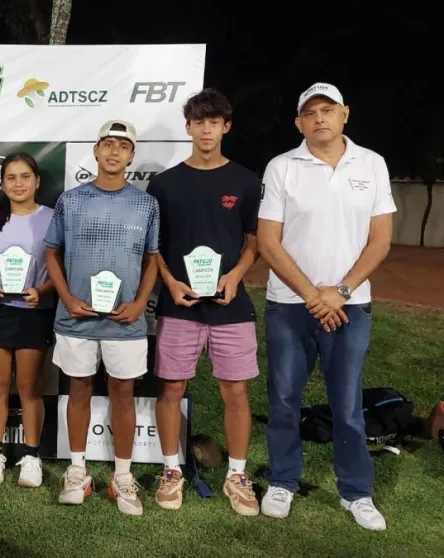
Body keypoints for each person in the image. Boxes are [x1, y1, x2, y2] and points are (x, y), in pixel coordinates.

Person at [257, 83, 394, 531]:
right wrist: (316, 295)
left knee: (348, 403)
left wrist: (342, 290)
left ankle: (356, 491)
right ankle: (283, 480)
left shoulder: (372, 164)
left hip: (351, 305)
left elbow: (380, 240)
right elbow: (268, 242)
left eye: (328, 110)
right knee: (283, 398)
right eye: (310, 112)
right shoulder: (282, 167)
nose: (319, 118)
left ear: (345, 114)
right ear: (299, 123)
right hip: (289, 305)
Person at [146, 88, 262, 515]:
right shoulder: (164, 183)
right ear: (189, 127)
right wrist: (171, 283)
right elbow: (153, 246)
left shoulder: (246, 181)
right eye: (199, 122)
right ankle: (171, 469)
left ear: (226, 126)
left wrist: (235, 275)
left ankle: (237, 475)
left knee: (235, 390)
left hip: (231, 306)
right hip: (180, 305)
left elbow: (254, 241)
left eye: (214, 122)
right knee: (172, 387)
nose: (207, 129)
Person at [44, 120, 159, 513]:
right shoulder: (70, 200)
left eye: (122, 147)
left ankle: (122, 477)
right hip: (76, 317)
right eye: (107, 144)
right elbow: (51, 253)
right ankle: (78, 470)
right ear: (95, 150)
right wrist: (67, 297)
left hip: (125, 321)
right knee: (78, 389)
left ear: (131, 156)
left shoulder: (146, 204)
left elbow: (153, 260)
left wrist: (141, 302)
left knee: (123, 392)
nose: (114, 152)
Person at [0, 153, 55, 488]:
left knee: (29, 388)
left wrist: (44, 289)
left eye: (25, 177)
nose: (18, 184)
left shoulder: (52, 218)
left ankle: (32, 456)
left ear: (37, 181)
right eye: (11, 178)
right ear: (2, 183)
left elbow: (61, 268)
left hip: (33, 311)